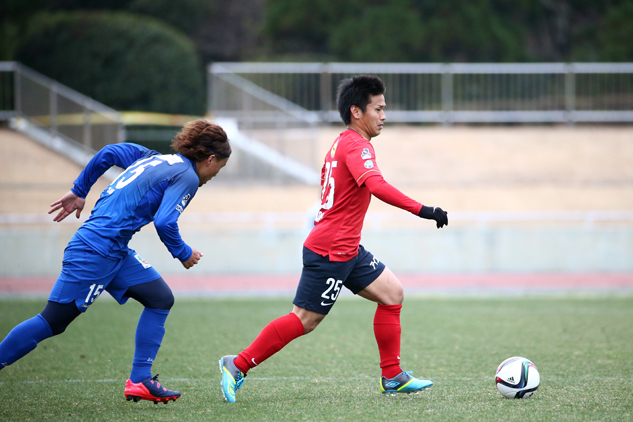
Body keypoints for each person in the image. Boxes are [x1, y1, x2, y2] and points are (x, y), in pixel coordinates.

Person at [219, 75, 448, 403]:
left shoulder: (342, 143)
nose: (384, 116)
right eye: (378, 109)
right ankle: (238, 364)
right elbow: (377, 185)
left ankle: (392, 375)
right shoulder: (356, 146)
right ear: (357, 111)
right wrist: (424, 210)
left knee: (392, 294)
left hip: (347, 248)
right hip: (331, 250)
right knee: (305, 320)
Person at [0, 120, 230, 404]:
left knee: (160, 298)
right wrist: (184, 253)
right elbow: (165, 222)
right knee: (52, 321)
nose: (215, 175)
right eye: (220, 168)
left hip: (113, 250)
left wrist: (80, 189)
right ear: (210, 159)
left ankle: (140, 380)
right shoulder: (188, 177)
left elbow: (108, 152)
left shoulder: (153, 158)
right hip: (95, 251)